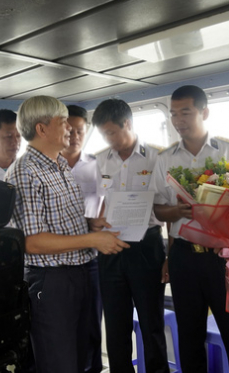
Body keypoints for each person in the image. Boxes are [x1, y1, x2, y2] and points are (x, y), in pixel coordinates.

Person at [5, 95, 129, 373]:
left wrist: (91, 225)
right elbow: (32, 242)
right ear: (41, 129)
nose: (71, 131)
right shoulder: (26, 172)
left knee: (85, 359)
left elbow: (59, 222)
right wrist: (92, 240)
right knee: (59, 363)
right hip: (52, 283)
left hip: (80, 273)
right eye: (63, 123)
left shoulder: (59, 165)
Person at [150, 85, 229, 373]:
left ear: (204, 112)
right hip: (185, 256)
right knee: (190, 333)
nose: (178, 120)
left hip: (226, 256)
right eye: (174, 114)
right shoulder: (165, 159)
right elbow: (159, 210)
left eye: (186, 112)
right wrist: (178, 212)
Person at [92, 99, 169, 373]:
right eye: (104, 135)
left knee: (151, 324)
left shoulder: (158, 157)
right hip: (110, 246)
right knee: (115, 325)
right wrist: (95, 224)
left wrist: (168, 256)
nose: (109, 139)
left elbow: (169, 207)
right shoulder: (99, 160)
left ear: (128, 123)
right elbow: (94, 205)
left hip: (146, 246)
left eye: (112, 132)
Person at [62, 104, 103, 373]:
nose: (75, 136)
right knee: (62, 327)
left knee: (90, 324)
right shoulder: (46, 168)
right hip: (57, 260)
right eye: (70, 130)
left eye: (80, 131)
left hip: (90, 258)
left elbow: (107, 205)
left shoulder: (98, 166)